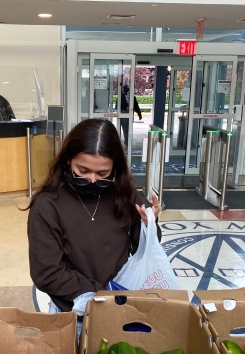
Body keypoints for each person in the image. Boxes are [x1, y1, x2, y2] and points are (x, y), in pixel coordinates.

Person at [25, 118, 161, 314]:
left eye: (103, 173)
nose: (92, 179)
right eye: (83, 170)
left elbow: (146, 249)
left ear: (115, 168)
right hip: (73, 311)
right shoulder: (47, 206)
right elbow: (47, 274)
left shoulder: (123, 192)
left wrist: (148, 226)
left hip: (120, 304)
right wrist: (102, 295)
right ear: (68, 159)